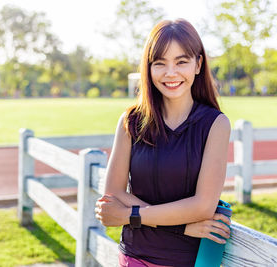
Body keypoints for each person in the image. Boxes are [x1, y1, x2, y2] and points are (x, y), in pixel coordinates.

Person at [94, 19, 231, 267]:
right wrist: (183, 227)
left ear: (198, 64)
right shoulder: (131, 121)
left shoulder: (216, 124)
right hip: (134, 256)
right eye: (160, 64)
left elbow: (202, 206)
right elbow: (113, 194)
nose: (171, 73)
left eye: (181, 62)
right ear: (149, 68)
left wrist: (129, 215)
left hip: (186, 260)